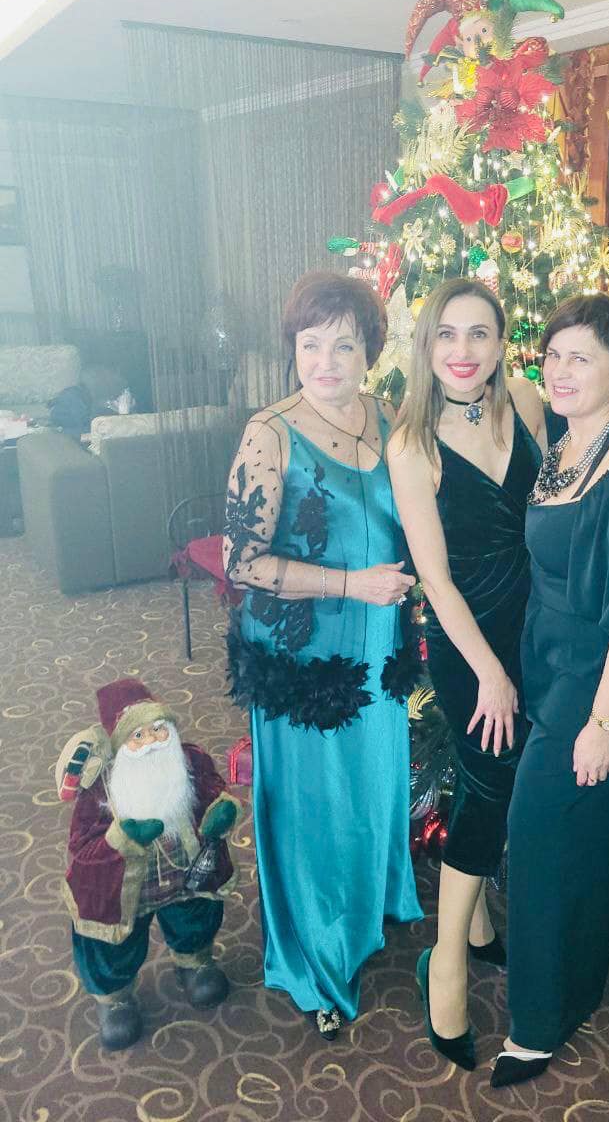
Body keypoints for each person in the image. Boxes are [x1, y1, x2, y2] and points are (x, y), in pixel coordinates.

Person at [223, 271, 421, 1040]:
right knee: (315, 811)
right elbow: (243, 562)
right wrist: (352, 583)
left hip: (376, 638)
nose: (326, 362)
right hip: (302, 651)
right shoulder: (270, 432)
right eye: (311, 345)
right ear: (293, 349)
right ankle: (314, 962)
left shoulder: (390, 416)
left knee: (368, 789)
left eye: (343, 345)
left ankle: (361, 915)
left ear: (370, 350)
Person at [491, 293, 609, 1088]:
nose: (560, 371)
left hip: (602, 675)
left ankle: (540, 1020)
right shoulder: (573, 435)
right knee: (584, 822)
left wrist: (603, 723)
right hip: (557, 658)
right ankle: (595, 944)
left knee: (537, 832)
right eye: (554, 355)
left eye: (582, 358)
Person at [387, 277, 545, 1072]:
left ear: (501, 342)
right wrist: (489, 673)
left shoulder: (527, 400)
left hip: (538, 629)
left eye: (479, 333)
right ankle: (444, 964)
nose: (463, 351)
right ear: (426, 346)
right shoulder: (412, 443)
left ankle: (478, 924)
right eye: (447, 335)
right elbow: (437, 581)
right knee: (488, 785)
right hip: (467, 641)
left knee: (501, 785)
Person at [58, 678, 239, 1051]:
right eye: (137, 735)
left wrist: (221, 809)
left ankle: (193, 962)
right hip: (126, 887)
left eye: (159, 729)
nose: (152, 742)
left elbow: (211, 788)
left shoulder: (189, 760)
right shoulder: (101, 786)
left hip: (185, 873)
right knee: (113, 943)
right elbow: (82, 846)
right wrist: (122, 839)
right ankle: (115, 1000)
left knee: (194, 915)